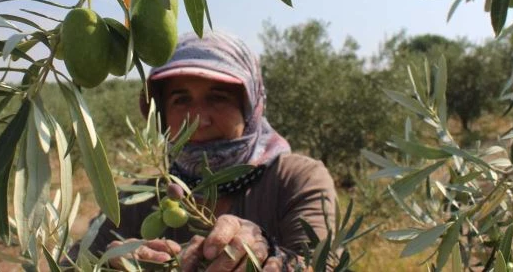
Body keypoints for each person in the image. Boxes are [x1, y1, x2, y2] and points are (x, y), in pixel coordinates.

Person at [80, 31, 338, 271]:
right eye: (181, 100)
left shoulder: (295, 179)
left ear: (250, 107)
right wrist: (104, 265)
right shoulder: (135, 202)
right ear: (160, 115)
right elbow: (70, 263)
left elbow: (322, 264)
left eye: (218, 98)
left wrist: (270, 254)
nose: (199, 120)